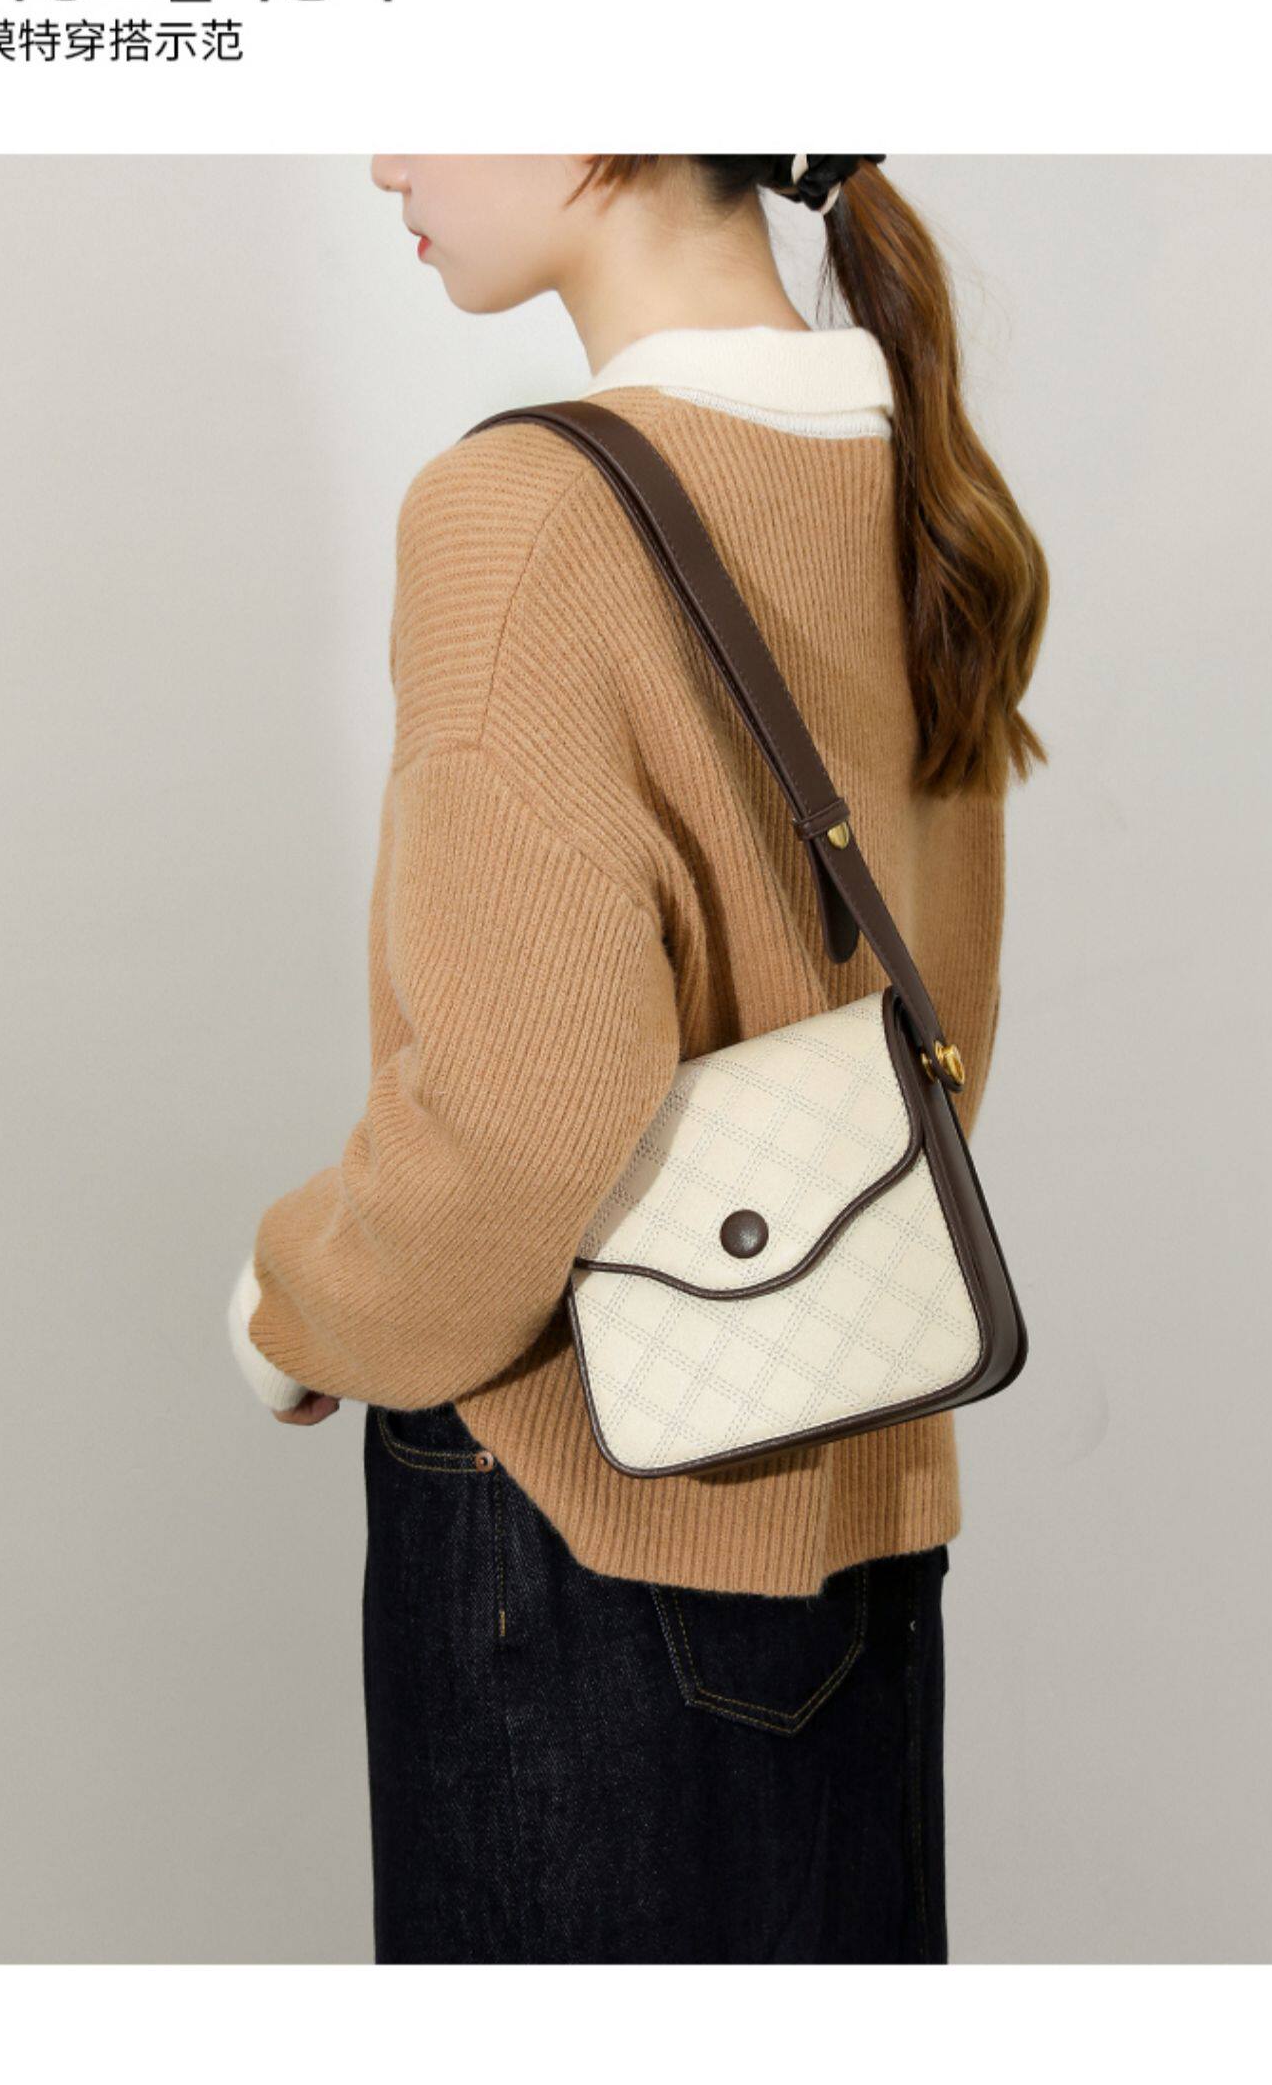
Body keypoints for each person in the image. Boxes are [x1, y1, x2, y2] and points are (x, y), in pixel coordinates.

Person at [227, 154, 1048, 1962]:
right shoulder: (902, 463)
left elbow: (519, 1127)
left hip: (577, 1515)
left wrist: (296, 1303)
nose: (385, 154)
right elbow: (938, 1015)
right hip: (860, 1458)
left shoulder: (519, 513)